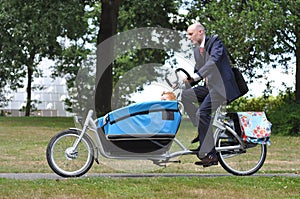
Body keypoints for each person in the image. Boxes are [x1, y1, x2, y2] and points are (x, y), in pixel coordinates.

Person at [181, 23, 241, 167]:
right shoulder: (197, 52)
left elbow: (213, 62)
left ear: (200, 32)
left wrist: (196, 76)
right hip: (209, 88)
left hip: (222, 88)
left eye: (190, 34)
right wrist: (180, 85)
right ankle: (203, 129)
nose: (189, 38)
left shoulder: (215, 43)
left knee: (202, 114)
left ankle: (211, 155)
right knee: (185, 96)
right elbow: (198, 73)